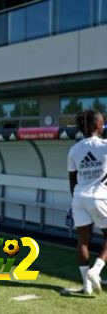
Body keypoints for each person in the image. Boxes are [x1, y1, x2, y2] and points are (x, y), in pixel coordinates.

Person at [67, 109, 107, 295]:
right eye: (103, 122)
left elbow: (72, 179)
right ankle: (96, 270)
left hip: (79, 198)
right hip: (99, 197)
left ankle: (86, 287)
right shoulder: (105, 146)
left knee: (83, 240)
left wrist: (74, 200)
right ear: (98, 125)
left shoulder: (74, 149)